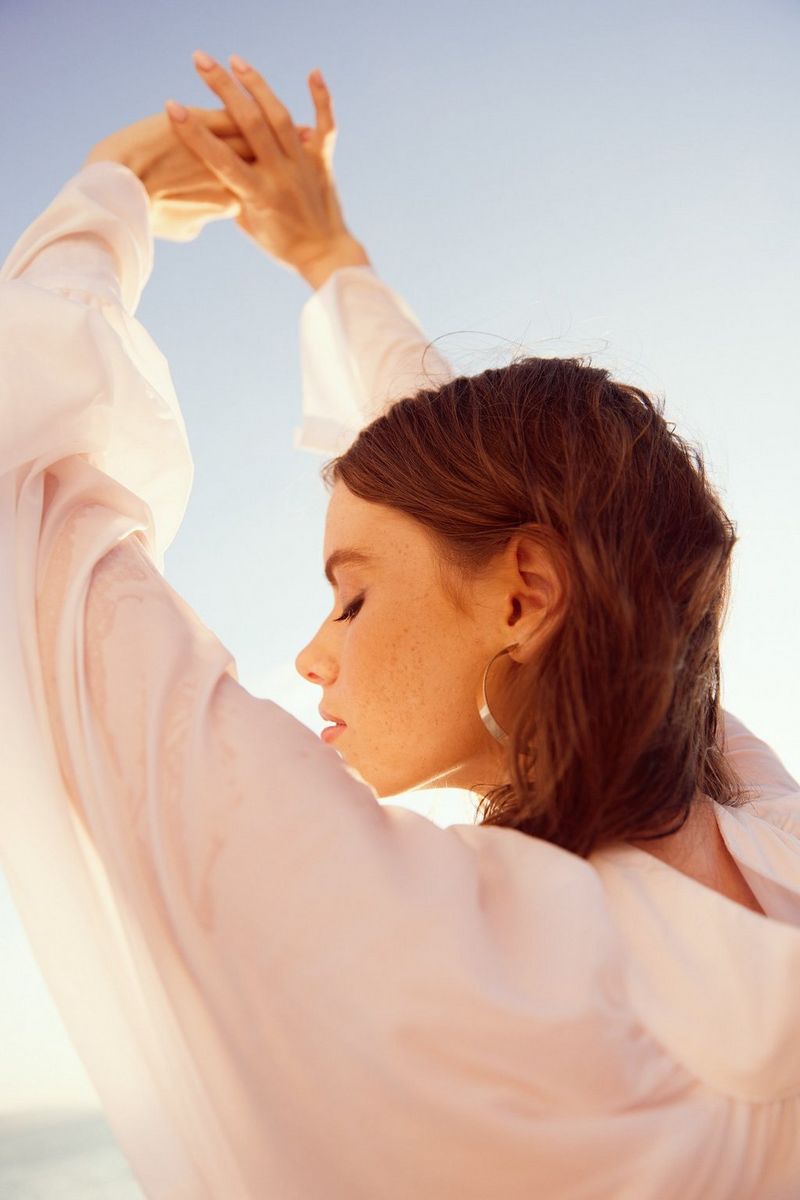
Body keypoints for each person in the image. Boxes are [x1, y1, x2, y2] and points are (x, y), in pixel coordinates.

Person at [0, 48, 798, 1200]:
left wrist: (109, 187)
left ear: (523, 599)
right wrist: (327, 255)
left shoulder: (444, 948)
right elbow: (515, 528)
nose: (312, 649)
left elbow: (32, 498)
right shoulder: (761, 830)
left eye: (351, 595)